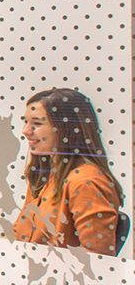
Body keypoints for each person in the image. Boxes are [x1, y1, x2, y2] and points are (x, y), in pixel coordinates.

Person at [12, 88, 124, 255]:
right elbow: (20, 233)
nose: (25, 130)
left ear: (66, 128)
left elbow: (97, 260)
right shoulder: (47, 174)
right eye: (26, 122)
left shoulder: (87, 182)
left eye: (37, 123)